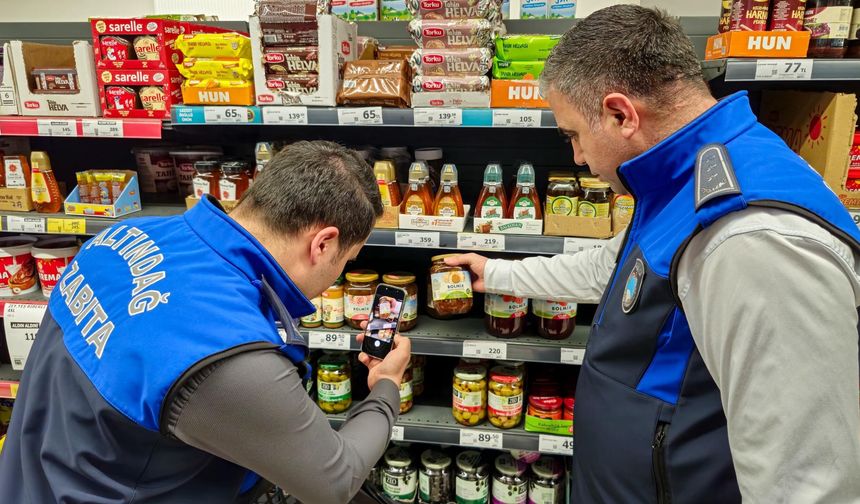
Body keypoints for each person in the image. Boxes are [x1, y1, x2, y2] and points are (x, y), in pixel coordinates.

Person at [448, 6, 860, 503]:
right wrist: (494, 272)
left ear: (621, 114)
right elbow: (617, 272)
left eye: (574, 134)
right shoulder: (688, 175)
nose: (576, 157)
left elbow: (803, 482)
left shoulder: (751, 237)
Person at [0, 141, 412, 504]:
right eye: (346, 261)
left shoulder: (123, 236)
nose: (336, 276)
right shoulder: (225, 355)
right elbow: (333, 482)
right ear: (322, 244)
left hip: (33, 479)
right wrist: (386, 387)